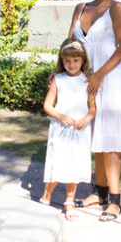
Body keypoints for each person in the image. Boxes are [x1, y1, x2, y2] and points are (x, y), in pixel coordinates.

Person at [68, 0, 121, 222]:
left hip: (109, 79)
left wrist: (100, 74)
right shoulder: (80, 8)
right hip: (87, 81)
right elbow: (70, 46)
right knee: (94, 137)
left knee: (110, 139)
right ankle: (99, 192)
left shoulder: (116, 8)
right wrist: (59, 72)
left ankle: (115, 201)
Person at [40, 38, 97, 221]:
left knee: (75, 162)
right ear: (61, 61)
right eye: (67, 61)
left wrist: (87, 118)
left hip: (79, 129)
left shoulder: (88, 81)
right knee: (59, 160)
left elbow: (92, 107)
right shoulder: (58, 80)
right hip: (61, 128)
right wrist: (61, 116)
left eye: (76, 61)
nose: (71, 65)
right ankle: (47, 195)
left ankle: (69, 201)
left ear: (83, 61)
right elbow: (48, 105)